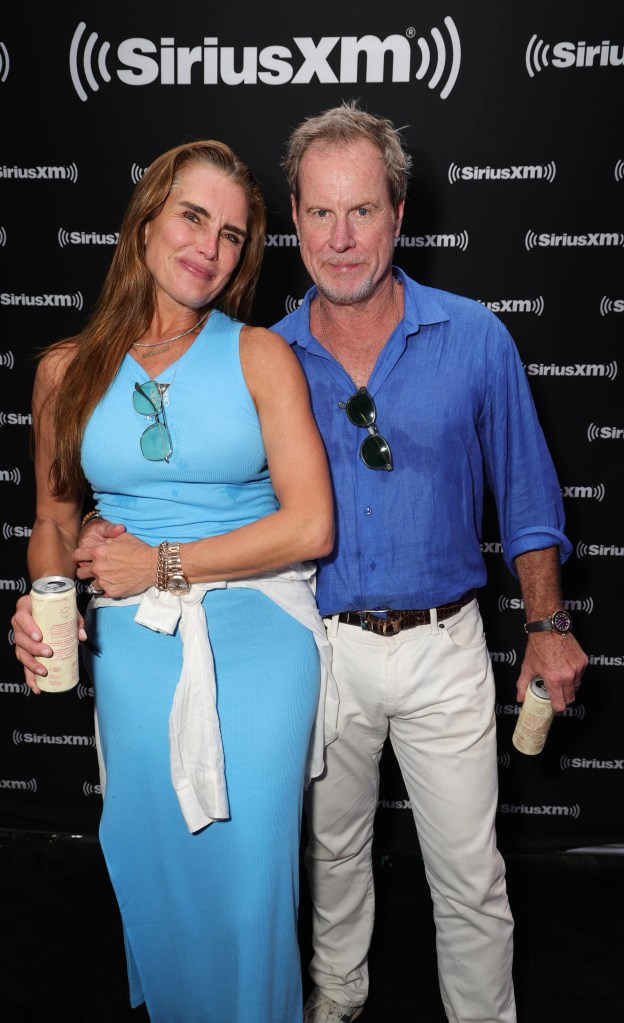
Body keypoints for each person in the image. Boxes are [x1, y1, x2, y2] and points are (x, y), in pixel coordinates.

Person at [270, 103, 588, 1023]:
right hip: (322, 649)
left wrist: (548, 624)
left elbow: (527, 496)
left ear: (399, 213)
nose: (340, 239)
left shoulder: (477, 338)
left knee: (469, 871)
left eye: (361, 211)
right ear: (293, 217)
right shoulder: (268, 360)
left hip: (448, 648)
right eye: (321, 214)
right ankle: (336, 996)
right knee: (330, 860)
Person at [11, 139, 336, 1023]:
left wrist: (160, 561)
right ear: (147, 219)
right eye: (194, 217)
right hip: (133, 644)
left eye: (233, 235)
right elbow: (54, 522)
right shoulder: (63, 371)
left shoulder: (261, 354)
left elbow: (310, 525)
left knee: (248, 884)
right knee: (152, 866)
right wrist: (42, 598)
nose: (211, 247)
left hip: (259, 636)